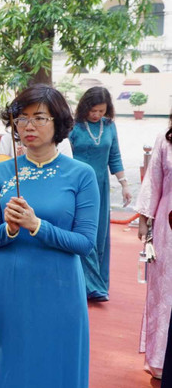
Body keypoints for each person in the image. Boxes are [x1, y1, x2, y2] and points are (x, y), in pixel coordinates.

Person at [0, 85, 99, 388]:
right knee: (10, 367)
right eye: (21, 118)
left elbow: (85, 242)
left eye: (39, 118)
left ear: (58, 123)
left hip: (59, 287)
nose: (28, 126)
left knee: (54, 367)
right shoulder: (3, 171)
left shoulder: (81, 175)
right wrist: (9, 230)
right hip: (10, 283)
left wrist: (37, 226)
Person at [69, 86, 132, 301]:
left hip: (101, 186)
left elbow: (115, 156)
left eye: (101, 111)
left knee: (100, 234)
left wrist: (124, 184)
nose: (97, 115)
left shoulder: (109, 127)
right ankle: (87, 285)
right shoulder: (73, 127)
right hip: (77, 186)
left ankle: (98, 283)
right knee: (81, 231)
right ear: (84, 107)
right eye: (93, 110)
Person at [135, 112, 172, 380]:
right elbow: (153, 183)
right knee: (164, 291)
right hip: (167, 228)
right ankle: (160, 358)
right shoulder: (165, 140)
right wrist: (144, 222)